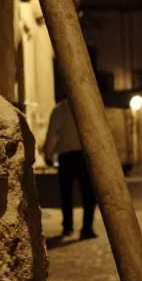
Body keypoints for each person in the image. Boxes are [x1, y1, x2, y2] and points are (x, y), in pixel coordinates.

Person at [43, 99, 97, 240]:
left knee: (66, 193)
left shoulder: (59, 109)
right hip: (85, 155)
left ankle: (67, 226)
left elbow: (53, 132)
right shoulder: (88, 107)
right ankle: (87, 227)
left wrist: (48, 154)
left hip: (66, 156)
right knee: (88, 193)